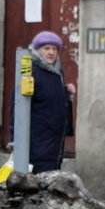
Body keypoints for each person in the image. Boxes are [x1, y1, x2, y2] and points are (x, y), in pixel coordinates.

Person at [25, 31, 76, 173]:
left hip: (55, 140)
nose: (51, 52)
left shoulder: (56, 71)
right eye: (46, 48)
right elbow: (19, 103)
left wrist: (65, 91)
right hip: (38, 142)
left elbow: (48, 95)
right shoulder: (31, 71)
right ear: (37, 50)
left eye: (54, 49)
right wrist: (15, 138)